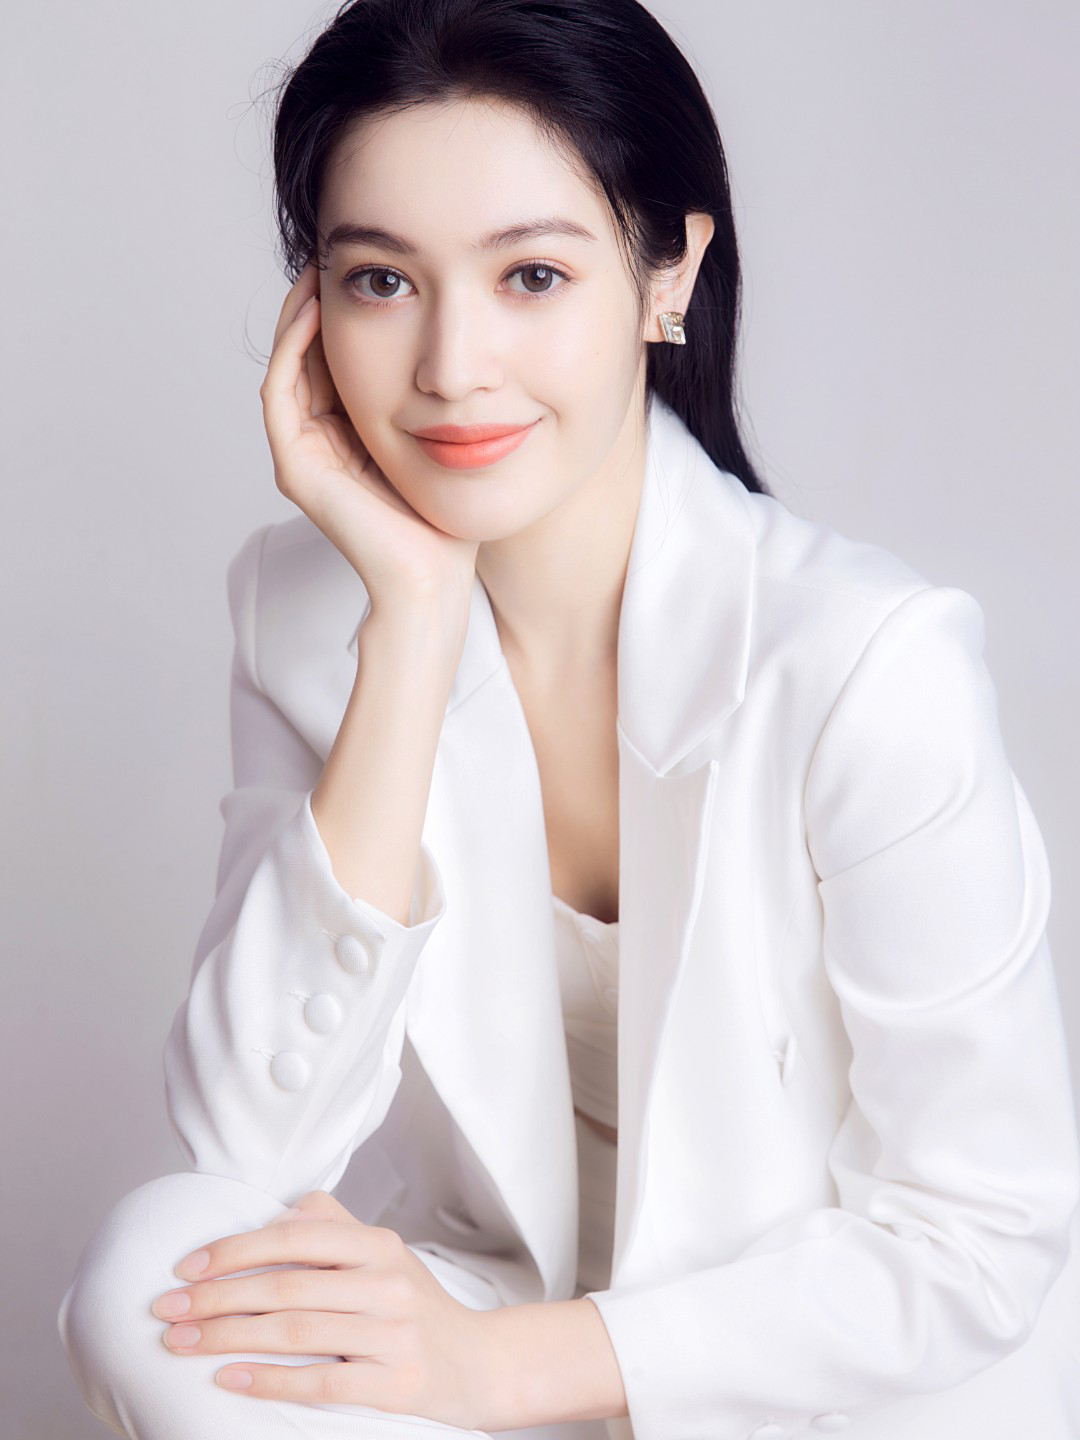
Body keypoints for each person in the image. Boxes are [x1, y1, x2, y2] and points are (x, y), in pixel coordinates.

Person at [57, 2, 1080, 1438]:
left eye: (531, 274)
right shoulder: (299, 613)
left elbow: (977, 1238)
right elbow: (246, 1150)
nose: (452, 364)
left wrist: (498, 1370)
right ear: (312, 309)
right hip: (491, 1312)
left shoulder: (865, 661)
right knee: (154, 1267)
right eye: (380, 281)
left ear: (669, 274)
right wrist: (413, 621)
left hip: (826, 1372)